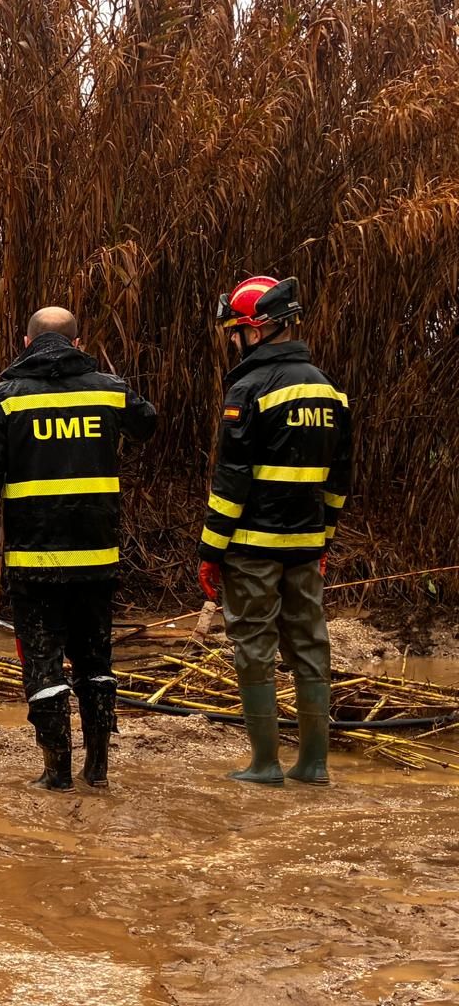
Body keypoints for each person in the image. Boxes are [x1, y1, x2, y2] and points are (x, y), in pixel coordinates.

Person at [0, 308, 157, 791]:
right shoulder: (108, 389)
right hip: (97, 560)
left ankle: (56, 772)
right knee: (96, 661)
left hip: (36, 563)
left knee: (42, 664)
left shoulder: (4, 399)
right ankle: (99, 769)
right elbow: (146, 422)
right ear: (77, 341)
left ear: (25, 342)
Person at [198, 276, 351, 787]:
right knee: (311, 644)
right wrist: (324, 539)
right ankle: (314, 765)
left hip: (252, 546)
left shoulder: (248, 389)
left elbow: (232, 479)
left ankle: (264, 764)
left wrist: (210, 547)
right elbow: (340, 479)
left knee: (254, 647)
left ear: (258, 329)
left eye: (237, 330)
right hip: (307, 545)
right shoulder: (329, 390)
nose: (235, 340)